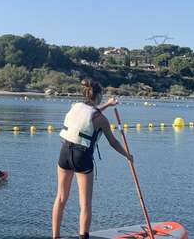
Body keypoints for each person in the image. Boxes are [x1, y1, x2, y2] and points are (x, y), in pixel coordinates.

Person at [51, 79, 133, 239]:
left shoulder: (74, 107)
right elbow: (113, 142)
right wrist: (127, 156)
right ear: (98, 95)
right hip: (82, 156)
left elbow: (87, 113)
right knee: (85, 204)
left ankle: (55, 236)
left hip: (64, 153)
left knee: (60, 198)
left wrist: (108, 105)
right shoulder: (101, 119)